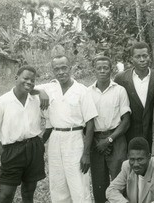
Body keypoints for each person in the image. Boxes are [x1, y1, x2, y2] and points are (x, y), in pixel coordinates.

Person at [36, 55, 98, 203]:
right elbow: (23, 85)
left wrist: (86, 154)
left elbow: (90, 123)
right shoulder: (49, 88)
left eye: (64, 68)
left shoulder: (82, 90)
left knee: (78, 185)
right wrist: (40, 92)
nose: (61, 72)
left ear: (70, 68)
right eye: (56, 69)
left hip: (75, 139)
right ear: (52, 71)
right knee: (58, 185)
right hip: (55, 139)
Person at [0, 66, 46, 203]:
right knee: (6, 195)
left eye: (32, 80)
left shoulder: (36, 100)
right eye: (25, 78)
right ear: (16, 78)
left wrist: (40, 145)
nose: (29, 82)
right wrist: (5, 155)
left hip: (34, 149)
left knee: (29, 191)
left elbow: (49, 121)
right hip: (12, 151)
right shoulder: (2, 102)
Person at [88, 56, 131, 202]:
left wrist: (109, 140)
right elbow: (85, 123)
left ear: (111, 70)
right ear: (94, 70)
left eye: (105, 68)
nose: (102, 71)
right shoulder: (88, 92)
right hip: (95, 141)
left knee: (119, 181)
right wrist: (97, 142)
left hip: (116, 138)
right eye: (98, 68)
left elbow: (126, 121)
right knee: (99, 183)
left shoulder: (120, 91)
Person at [114, 42, 154, 150]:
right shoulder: (121, 79)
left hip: (153, 137)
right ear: (131, 59)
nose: (142, 59)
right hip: (129, 137)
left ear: (150, 57)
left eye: (145, 56)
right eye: (138, 56)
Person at [106, 137, 154, 203]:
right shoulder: (126, 166)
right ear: (128, 157)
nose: (135, 164)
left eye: (140, 159)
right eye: (132, 159)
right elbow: (111, 190)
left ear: (149, 157)